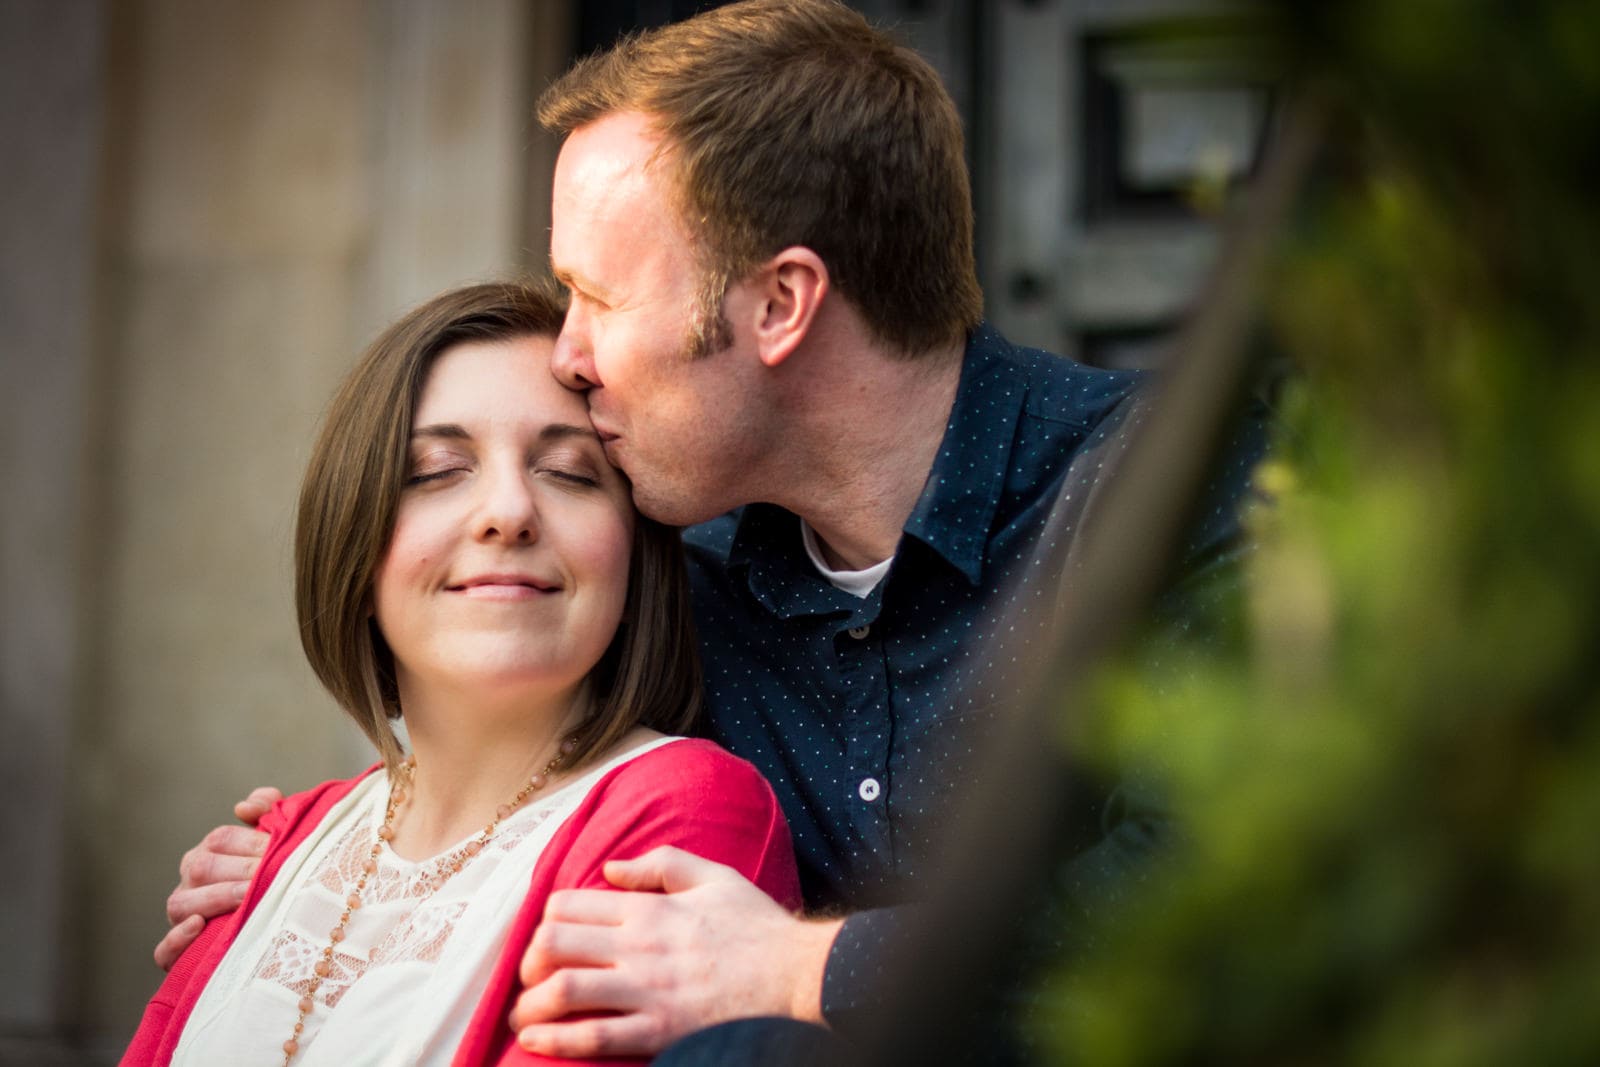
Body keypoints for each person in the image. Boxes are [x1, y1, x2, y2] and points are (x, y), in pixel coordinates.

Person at [161, 1, 1264, 1061]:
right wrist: (309, 862)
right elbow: (489, 778)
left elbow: (1228, 902)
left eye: (595, 293)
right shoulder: (678, 587)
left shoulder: (1179, 486)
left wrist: (806, 968)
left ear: (781, 304)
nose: (567, 353)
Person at [124, 280, 800, 1067]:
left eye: (572, 473)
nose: (508, 511)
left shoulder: (680, 814)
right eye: (439, 469)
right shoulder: (277, 844)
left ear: (634, 555)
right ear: (356, 540)